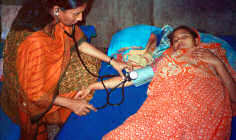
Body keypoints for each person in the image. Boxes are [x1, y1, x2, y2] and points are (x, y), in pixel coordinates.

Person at [0, 0, 128, 139]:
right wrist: (71, 104)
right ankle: (58, 116)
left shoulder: (55, 16)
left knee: (90, 63)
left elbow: (80, 43)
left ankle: (65, 108)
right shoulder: (35, 43)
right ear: (57, 10)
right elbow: (34, 95)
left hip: (43, 67)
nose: (81, 18)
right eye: (76, 13)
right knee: (82, 88)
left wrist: (113, 61)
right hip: (28, 92)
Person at [80, 25, 236, 139]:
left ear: (196, 40)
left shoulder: (215, 54)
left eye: (184, 37)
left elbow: (234, 97)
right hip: (165, 109)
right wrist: (93, 85)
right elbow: (131, 77)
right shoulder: (166, 60)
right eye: (175, 40)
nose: (179, 41)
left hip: (205, 110)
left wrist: (217, 63)